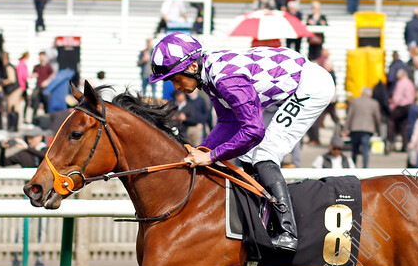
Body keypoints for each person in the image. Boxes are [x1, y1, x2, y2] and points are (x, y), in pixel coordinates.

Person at [148, 32, 335, 252]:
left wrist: (210, 156)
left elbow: (253, 131)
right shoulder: (208, 75)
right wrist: (200, 150)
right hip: (283, 91)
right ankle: (261, 222)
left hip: (310, 86)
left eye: (176, 79)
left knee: (264, 152)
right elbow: (228, 121)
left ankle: (288, 233)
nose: (175, 86)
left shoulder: (226, 79)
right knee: (247, 155)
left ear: (191, 68)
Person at [0, 128, 55, 266]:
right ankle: (16, 262)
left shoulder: (47, 150)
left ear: (39, 137)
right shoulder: (25, 152)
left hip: (45, 195)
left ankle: (39, 262)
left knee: (42, 230)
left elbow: (46, 157)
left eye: (32, 137)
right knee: (23, 231)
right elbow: (3, 162)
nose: (30, 140)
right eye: (28, 137)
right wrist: (2, 148)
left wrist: (27, 148)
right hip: (28, 196)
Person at [345, 86, 381, 168]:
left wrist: (345, 128)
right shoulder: (374, 103)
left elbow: (349, 116)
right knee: (365, 150)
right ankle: (365, 167)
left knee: (354, 150)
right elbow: (377, 118)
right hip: (367, 129)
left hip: (355, 128)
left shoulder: (354, 101)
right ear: (370, 94)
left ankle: (353, 167)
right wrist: (378, 130)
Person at [389, 69, 415, 151]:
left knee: (390, 121)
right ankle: (405, 145)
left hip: (401, 106)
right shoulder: (410, 83)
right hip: (409, 106)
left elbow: (397, 97)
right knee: (404, 126)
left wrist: (392, 107)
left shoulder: (400, 83)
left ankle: (390, 141)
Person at [31, 51, 54, 118]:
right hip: (38, 87)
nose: (41, 57)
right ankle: (34, 118)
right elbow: (33, 74)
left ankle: (47, 117)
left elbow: (52, 75)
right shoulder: (37, 67)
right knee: (35, 102)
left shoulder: (48, 66)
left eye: (42, 56)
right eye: (40, 56)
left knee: (46, 102)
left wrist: (47, 81)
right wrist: (33, 75)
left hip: (45, 88)